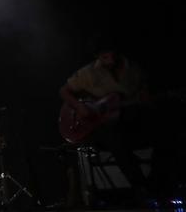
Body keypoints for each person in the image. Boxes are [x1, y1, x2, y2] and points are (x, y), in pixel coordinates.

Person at [59, 43, 152, 204]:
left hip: (128, 121)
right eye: (103, 57)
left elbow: (144, 91)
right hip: (100, 129)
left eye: (109, 55)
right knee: (114, 138)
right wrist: (80, 106)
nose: (107, 60)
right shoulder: (90, 72)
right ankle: (141, 188)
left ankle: (157, 186)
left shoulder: (133, 70)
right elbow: (64, 91)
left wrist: (145, 98)